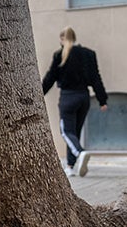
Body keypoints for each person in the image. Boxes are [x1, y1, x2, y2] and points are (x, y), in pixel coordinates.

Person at [42, 26, 108, 177]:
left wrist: (40, 94)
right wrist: (102, 99)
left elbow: (50, 77)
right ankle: (70, 167)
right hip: (84, 98)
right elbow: (96, 78)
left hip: (68, 98)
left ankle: (80, 152)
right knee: (75, 133)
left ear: (62, 39)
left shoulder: (59, 55)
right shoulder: (88, 54)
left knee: (66, 131)